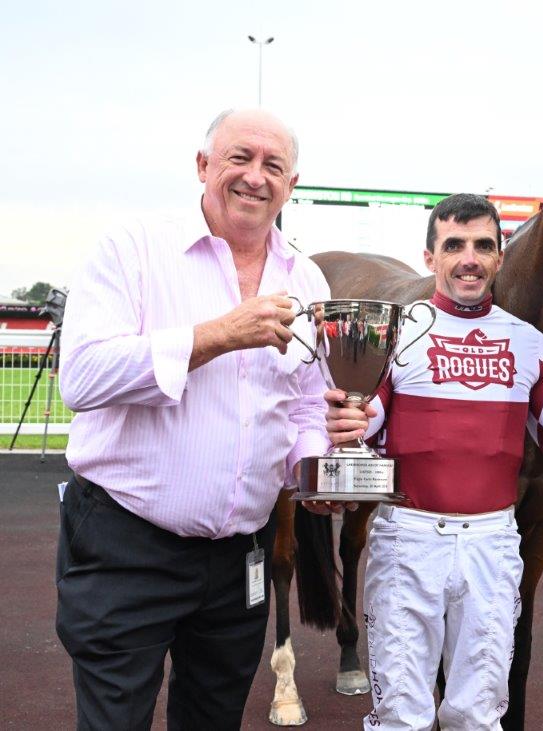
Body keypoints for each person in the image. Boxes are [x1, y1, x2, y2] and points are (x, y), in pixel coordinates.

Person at [56, 109, 337, 730]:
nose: (255, 177)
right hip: (127, 542)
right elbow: (80, 378)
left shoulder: (307, 277)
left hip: (241, 558)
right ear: (203, 165)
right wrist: (216, 336)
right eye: (239, 158)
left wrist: (315, 468)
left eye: (274, 166)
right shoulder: (132, 248)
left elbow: (305, 403)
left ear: (292, 183)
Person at [315, 194, 543, 730]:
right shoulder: (395, 332)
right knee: (401, 717)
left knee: (476, 717)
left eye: (482, 246)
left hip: (493, 550)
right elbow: (365, 429)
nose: (468, 258)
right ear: (430, 258)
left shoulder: (529, 344)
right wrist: (341, 431)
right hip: (408, 542)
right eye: (454, 245)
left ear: (500, 257)